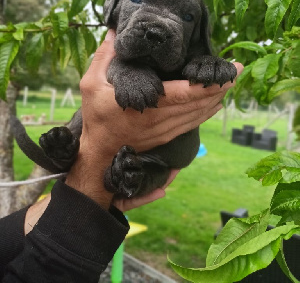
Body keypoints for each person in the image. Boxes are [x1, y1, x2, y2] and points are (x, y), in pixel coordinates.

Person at [0, 30, 243, 282]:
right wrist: (94, 165)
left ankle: (88, 161)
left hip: (153, 165)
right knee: (90, 123)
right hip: (107, 174)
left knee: (141, 171)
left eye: (188, 17)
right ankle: (71, 154)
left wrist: (207, 63)